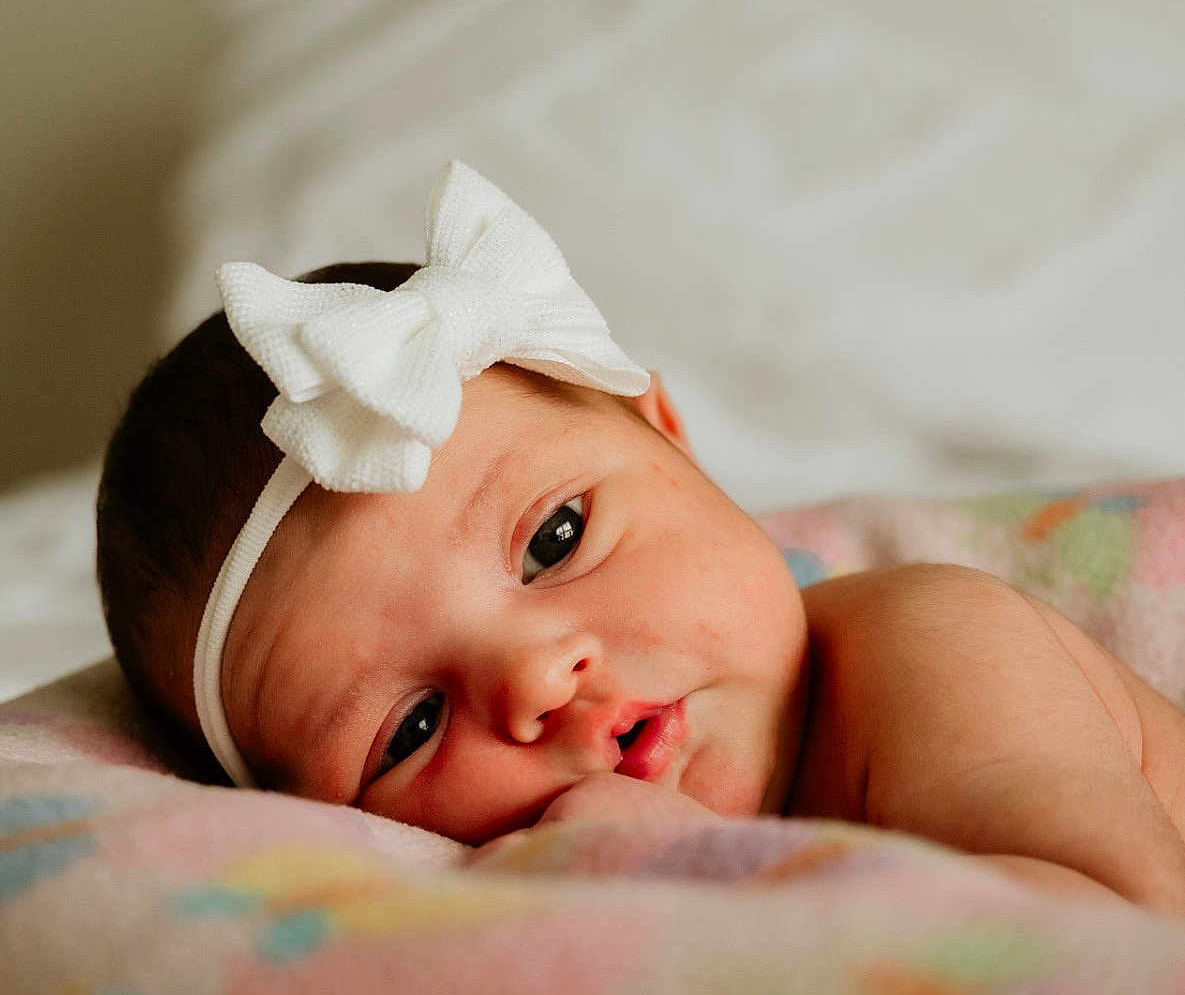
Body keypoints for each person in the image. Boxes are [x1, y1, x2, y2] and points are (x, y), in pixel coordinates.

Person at [96, 162, 1185, 914]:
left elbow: (1119, 948)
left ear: (673, 438)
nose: (539, 676)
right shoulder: (486, 909)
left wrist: (670, 864)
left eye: (556, 537)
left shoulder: (932, 648)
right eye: (412, 727)